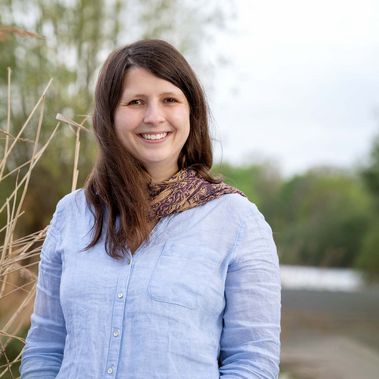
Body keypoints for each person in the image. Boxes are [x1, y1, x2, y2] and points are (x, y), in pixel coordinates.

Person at [20, 39, 281, 378]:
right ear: (109, 115)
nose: (154, 117)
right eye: (136, 102)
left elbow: (252, 360)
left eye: (170, 100)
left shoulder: (237, 222)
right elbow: (44, 348)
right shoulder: (72, 214)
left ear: (192, 112)